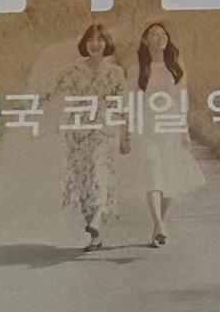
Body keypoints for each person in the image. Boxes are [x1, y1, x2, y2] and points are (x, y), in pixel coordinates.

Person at [131, 19, 196, 249]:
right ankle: (158, 224)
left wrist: (184, 130)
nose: (160, 38)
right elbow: (131, 101)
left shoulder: (176, 66)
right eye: (154, 34)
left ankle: (159, 223)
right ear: (145, 40)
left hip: (170, 127)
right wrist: (128, 130)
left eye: (163, 34)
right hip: (146, 128)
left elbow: (181, 100)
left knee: (170, 178)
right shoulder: (138, 69)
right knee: (152, 172)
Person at [61, 19, 122, 251]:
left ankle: (96, 219)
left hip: (103, 130)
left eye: (100, 40)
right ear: (84, 44)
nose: (95, 44)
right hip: (77, 131)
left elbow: (122, 105)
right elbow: (54, 91)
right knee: (83, 182)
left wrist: (126, 134)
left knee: (99, 173)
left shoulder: (115, 72)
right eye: (91, 40)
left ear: (107, 44)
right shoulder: (75, 71)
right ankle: (95, 236)